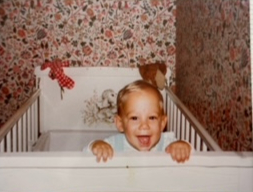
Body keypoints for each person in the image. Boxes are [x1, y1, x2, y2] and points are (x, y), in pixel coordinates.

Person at [85, 80, 192, 163]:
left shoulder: (167, 143)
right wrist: (96, 145)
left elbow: (194, 154)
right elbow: (83, 155)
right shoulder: (115, 145)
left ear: (162, 123)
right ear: (120, 124)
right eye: (135, 118)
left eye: (152, 118)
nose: (144, 126)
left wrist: (182, 146)